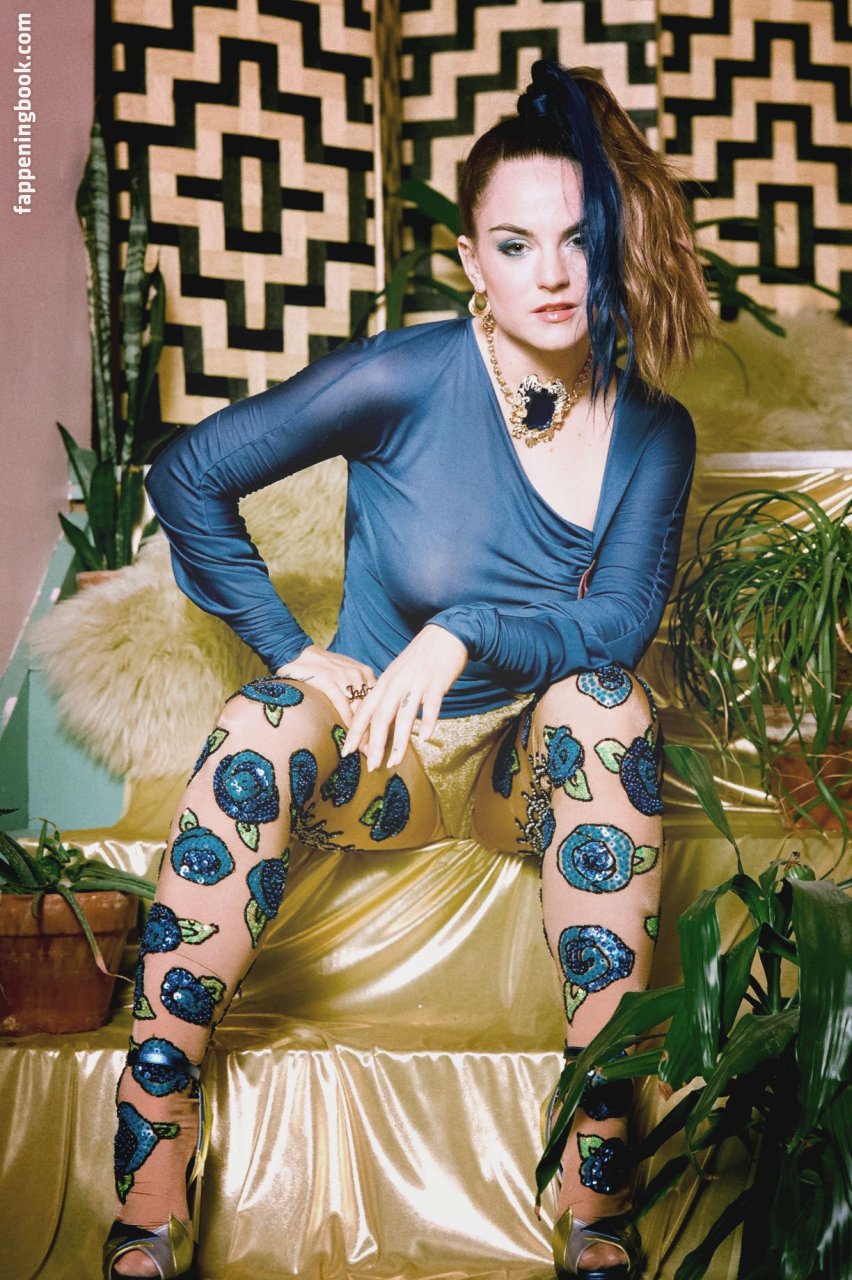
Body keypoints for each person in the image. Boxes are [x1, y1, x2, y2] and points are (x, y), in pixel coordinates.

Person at [102, 58, 715, 1280]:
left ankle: (599, 1175)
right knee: (265, 721)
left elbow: (616, 628)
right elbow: (188, 474)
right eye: (515, 244)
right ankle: (154, 1148)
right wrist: (297, 651)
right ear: (473, 264)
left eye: (578, 238)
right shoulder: (408, 375)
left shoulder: (654, 429)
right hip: (376, 761)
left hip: (516, 772)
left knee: (607, 704)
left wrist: (470, 627)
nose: (553, 272)